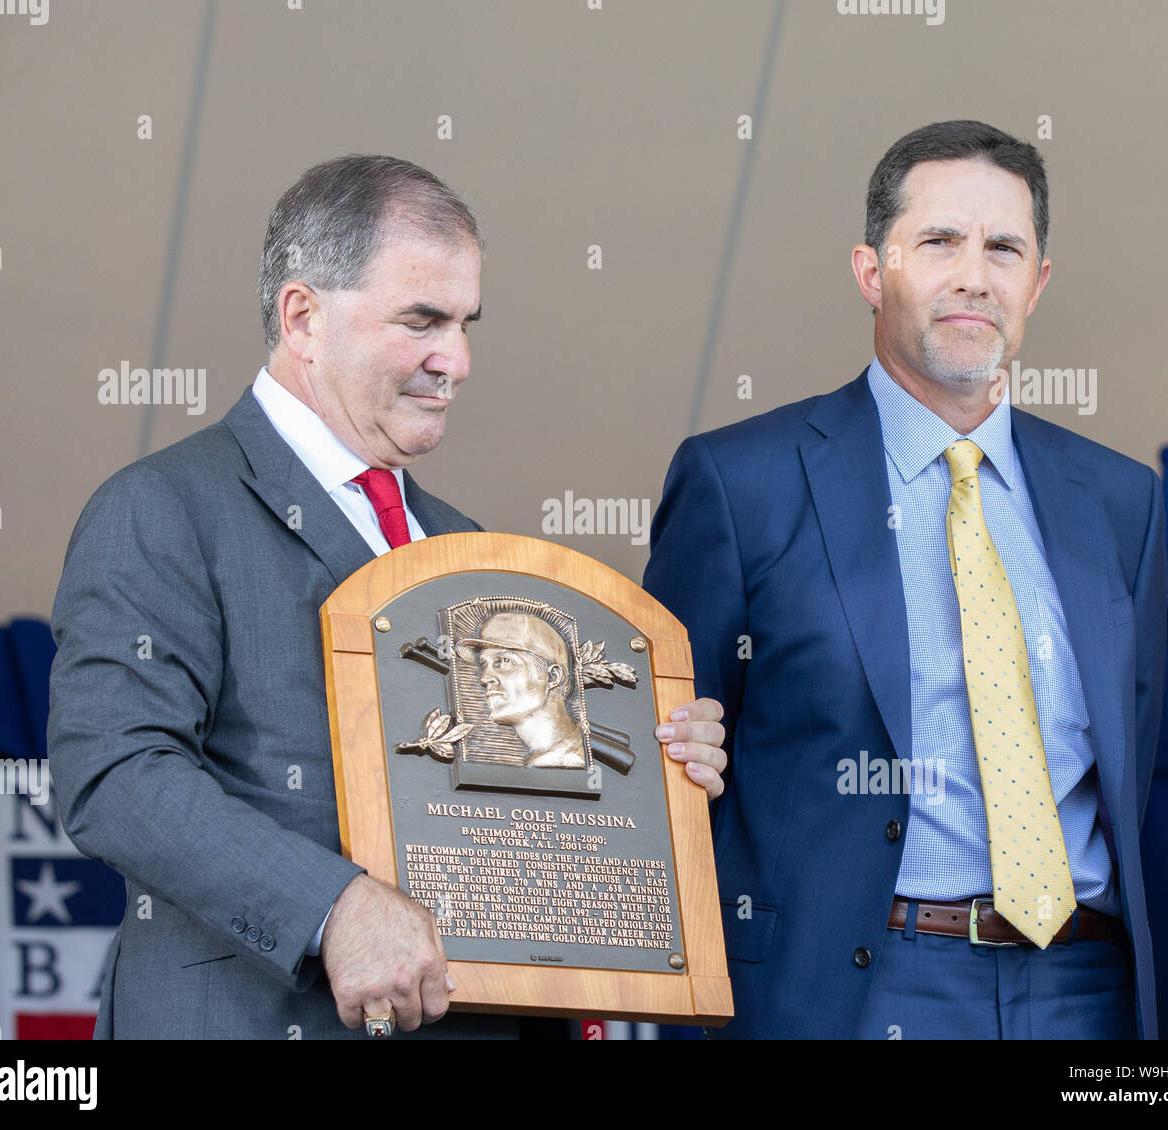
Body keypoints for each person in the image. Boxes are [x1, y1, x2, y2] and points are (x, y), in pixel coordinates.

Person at [47, 155, 727, 1040]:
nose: (458, 360)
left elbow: (514, 802)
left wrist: (659, 775)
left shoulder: (468, 550)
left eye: (466, 323)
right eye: (422, 320)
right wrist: (333, 907)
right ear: (303, 318)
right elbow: (116, 776)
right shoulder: (162, 507)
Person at [643, 120, 1166, 1039]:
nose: (974, 274)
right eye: (939, 242)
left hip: (1091, 993)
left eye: (1004, 248)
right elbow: (667, 768)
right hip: (864, 985)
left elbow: (1149, 766)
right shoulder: (742, 482)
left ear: (1037, 284)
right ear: (870, 269)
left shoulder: (1123, 500)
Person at [456, 612, 586, 768]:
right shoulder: (542, 758)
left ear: (552, 676)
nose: (484, 678)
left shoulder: (575, 755)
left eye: (504, 661)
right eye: (485, 664)